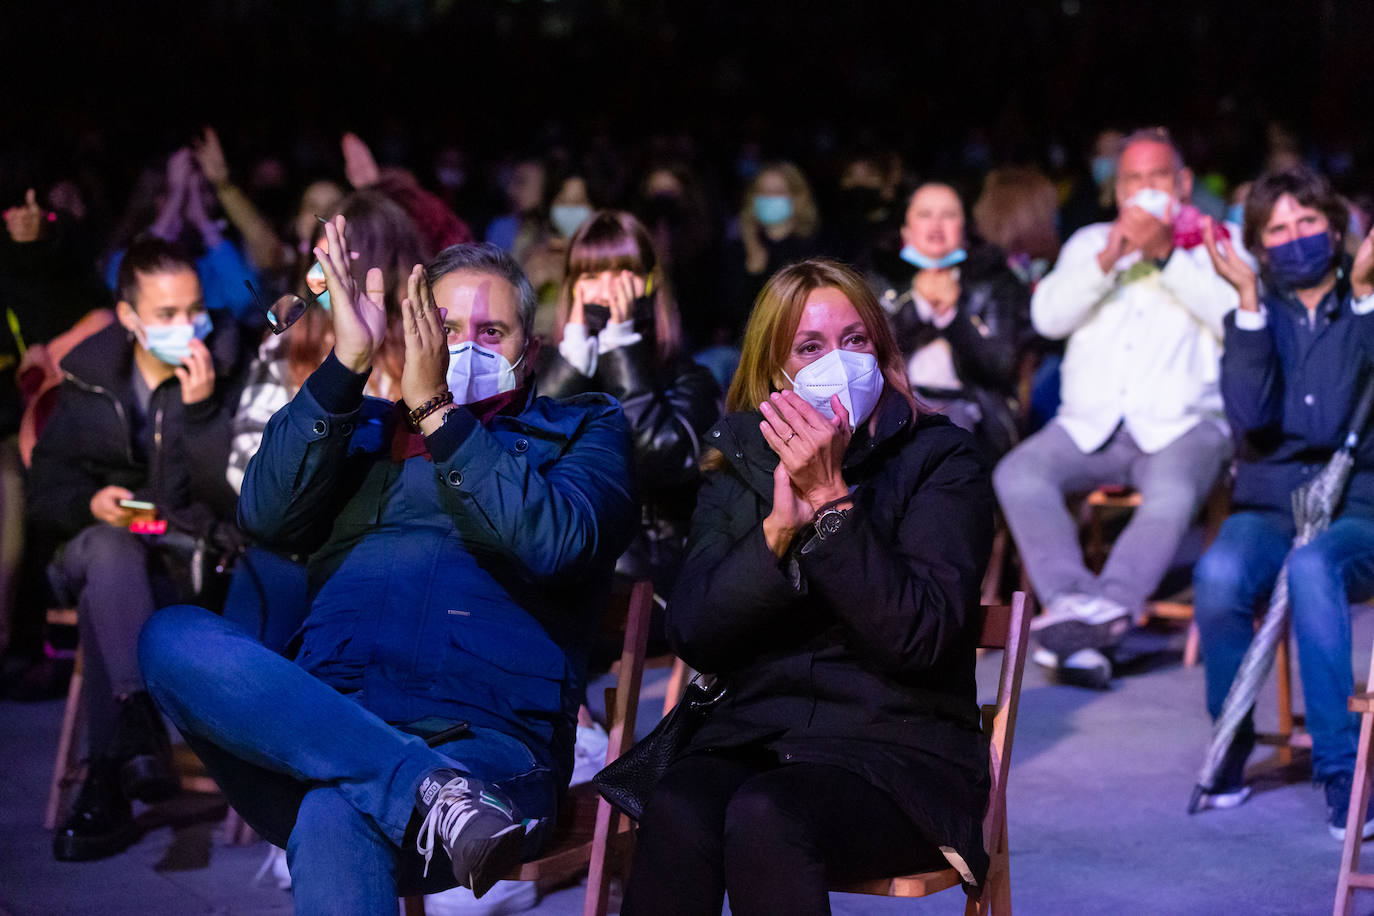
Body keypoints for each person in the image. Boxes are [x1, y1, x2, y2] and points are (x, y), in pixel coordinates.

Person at [137, 223, 636, 911]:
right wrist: (345, 363)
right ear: (413, 336)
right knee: (171, 636)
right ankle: (419, 789)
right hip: (326, 723)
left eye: (492, 332)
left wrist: (437, 413)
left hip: (486, 749)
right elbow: (266, 514)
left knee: (336, 812)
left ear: (533, 351)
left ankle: (421, 788)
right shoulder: (360, 426)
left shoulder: (582, 429)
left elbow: (554, 541)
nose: (464, 345)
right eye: (446, 326)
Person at [622, 259, 995, 916]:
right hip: (759, 733)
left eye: (855, 341)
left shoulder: (941, 459)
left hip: (899, 751)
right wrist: (771, 540)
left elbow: (921, 638)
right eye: (811, 347)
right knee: (677, 802)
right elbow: (693, 633)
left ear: (881, 350)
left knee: (768, 814)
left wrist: (831, 504)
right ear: (777, 372)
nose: (839, 361)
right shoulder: (739, 461)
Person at [993, 128, 1240, 684]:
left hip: (1184, 424)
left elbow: (1236, 319)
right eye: (1133, 179)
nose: (1145, 190)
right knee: (1018, 472)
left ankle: (1108, 608)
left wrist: (1164, 256)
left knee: (1172, 493)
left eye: (1157, 177)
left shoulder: (1218, 240)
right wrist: (1109, 259)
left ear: (1182, 184)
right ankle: (1078, 606)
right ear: (1117, 187)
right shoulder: (1088, 243)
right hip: (1092, 423)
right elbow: (1048, 318)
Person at [29, 236, 246, 860]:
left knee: (112, 583)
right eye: (167, 315)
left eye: (194, 310)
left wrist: (203, 416)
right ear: (128, 317)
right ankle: (138, 733)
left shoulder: (225, 371)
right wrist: (89, 503)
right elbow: (45, 491)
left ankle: (111, 769)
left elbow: (232, 501)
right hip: (99, 547)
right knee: (107, 548)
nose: (189, 327)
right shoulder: (94, 380)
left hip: (187, 561)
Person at [1192, 166, 1374, 837]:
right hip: (1272, 504)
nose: (1296, 238)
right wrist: (1245, 301)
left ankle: (1341, 771)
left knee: (1313, 568)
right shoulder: (1256, 309)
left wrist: (1362, 299)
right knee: (1218, 572)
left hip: (1359, 505)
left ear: (1335, 225)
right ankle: (1230, 748)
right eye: (1278, 229)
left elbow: (1337, 419)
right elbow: (1250, 414)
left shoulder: (1365, 296)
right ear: (1259, 247)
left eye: (1308, 222)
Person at [877, 182, 1029, 459]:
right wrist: (919, 304)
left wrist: (952, 313)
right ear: (905, 231)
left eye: (948, 214)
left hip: (967, 408)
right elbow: (872, 356)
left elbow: (999, 367)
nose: (936, 224)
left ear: (964, 230)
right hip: (894, 405)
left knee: (946, 439)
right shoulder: (880, 280)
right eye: (925, 214)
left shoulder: (994, 281)